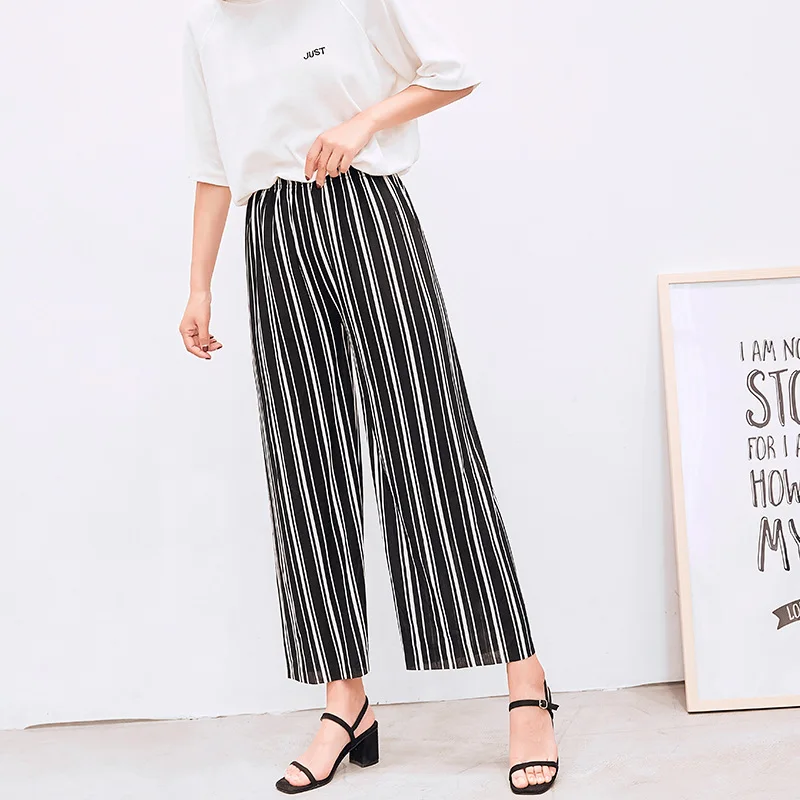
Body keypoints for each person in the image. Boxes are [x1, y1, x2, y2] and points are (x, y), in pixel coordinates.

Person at [179, 0, 560, 794]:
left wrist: (363, 123)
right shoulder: (206, 28)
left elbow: (451, 73)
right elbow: (215, 164)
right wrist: (199, 287)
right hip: (272, 235)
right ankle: (344, 700)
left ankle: (526, 683)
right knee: (305, 464)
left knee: (429, 440)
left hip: (365, 211)